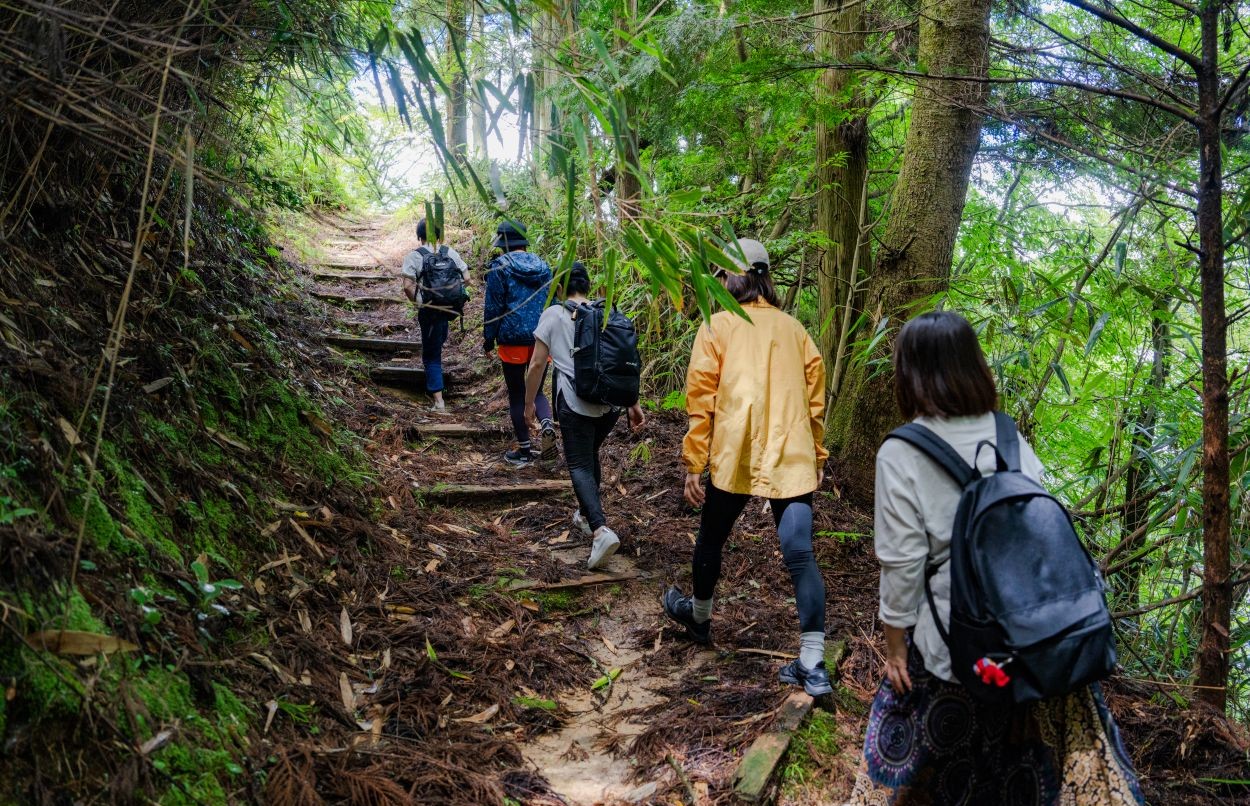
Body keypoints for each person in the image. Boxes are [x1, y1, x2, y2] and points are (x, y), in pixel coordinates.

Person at [843, 311, 1143, 805]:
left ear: (909, 374)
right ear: (972, 368)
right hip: (1027, 640)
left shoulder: (900, 453)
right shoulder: (1009, 437)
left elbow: (902, 565)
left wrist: (895, 648)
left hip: (954, 647)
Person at [662, 239, 833, 696]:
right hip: (790, 451)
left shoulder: (717, 326)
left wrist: (693, 464)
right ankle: (814, 664)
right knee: (800, 555)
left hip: (733, 451)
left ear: (731, 277)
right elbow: (816, 403)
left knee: (711, 537)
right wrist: (816, 455)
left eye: (720, 276)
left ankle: (699, 620)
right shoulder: (796, 330)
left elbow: (702, 401)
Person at [524, 262, 646, 570]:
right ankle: (584, 513)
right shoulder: (604, 313)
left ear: (560, 288)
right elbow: (621, 359)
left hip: (576, 402)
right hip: (609, 406)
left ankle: (600, 530)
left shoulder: (554, 313)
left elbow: (537, 365)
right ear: (588, 286)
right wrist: (632, 403)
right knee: (589, 454)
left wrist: (529, 405)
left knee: (578, 462)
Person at [483, 220, 556, 466]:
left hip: (512, 338)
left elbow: (493, 307)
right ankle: (547, 427)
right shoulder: (544, 266)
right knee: (535, 391)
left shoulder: (499, 267)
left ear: (503, 243)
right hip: (541, 338)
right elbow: (552, 301)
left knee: (517, 394)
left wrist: (488, 339)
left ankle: (524, 452)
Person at [400, 218, 469, 411]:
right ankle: (437, 386)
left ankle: (439, 401)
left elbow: (407, 285)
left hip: (429, 309)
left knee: (431, 355)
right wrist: (453, 294)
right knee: (436, 344)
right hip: (448, 309)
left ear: (419, 235)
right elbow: (467, 278)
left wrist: (418, 303)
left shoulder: (415, 256)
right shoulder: (450, 252)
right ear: (439, 235)